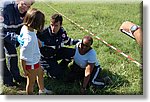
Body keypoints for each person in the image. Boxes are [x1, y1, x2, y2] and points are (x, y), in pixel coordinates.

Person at [17, 8, 53, 95]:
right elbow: (23, 57)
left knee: (41, 73)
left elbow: (31, 35)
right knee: (31, 82)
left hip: (36, 60)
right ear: (36, 23)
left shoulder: (26, 27)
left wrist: (38, 41)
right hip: (31, 65)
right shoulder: (29, 41)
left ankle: (42, 90)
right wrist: (25, 70)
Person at [1, 0, 34, 86]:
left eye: (28, 6)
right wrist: (16, 38)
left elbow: (23, 26)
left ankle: (16, 76)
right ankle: (7, 81)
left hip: (11, 34)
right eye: (23, 4)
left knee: (13, 55)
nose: (25, 8)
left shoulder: (27, 12)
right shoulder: (5, 8)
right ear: (17, 1)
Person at [37, 13, 79, 80]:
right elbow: (35, 47)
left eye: (56, 25)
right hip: (46, 58)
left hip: (57, 53)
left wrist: (80, 41)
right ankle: (47, 69)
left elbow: (67, 41)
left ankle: (64, 65)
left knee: (73, 53)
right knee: (57, 76)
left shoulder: (62, 31)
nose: (53, 28)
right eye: (52, 25)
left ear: (61, 25)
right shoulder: (43, 33)